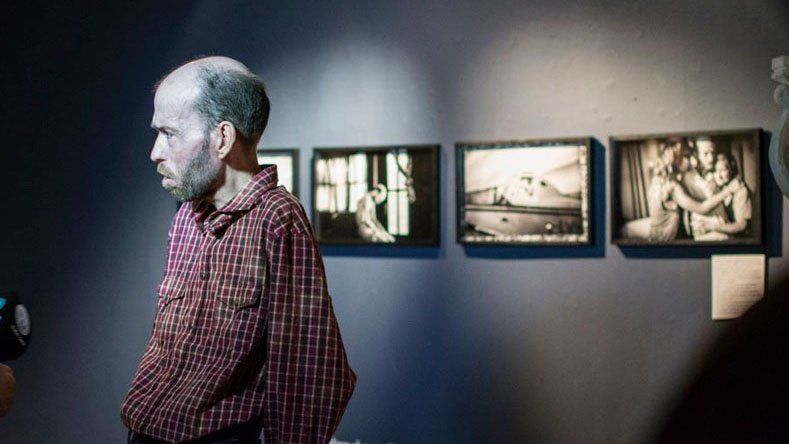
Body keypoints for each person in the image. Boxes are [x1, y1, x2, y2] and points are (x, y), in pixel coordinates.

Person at [121, 56, 356, 443]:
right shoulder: (188, 217)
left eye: (169, 133)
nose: (155, 152)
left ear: (223, 138)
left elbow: (306, 366)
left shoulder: (277, 220)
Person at [646, 142, 741, 242]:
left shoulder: (655, 183)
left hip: (655, 239)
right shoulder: (671, 187)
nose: (687, 160)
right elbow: (702, 208)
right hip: (665, 244)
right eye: (681, 158)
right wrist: (728, 191)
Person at [691, 152, 752, 239]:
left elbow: (741, 226)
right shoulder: (714, 185)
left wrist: (711, 227)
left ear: (731, 168)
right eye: (715, 171)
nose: (718, 176)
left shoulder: (740, 190)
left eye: (723, 170)